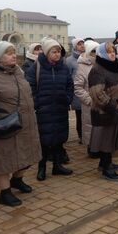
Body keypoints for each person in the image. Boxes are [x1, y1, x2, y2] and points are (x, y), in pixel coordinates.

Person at [0, 41, 41, 207]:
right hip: (4, 127)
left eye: (14, 52)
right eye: (8, 53)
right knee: (3, 160)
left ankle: (17, 180)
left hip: (25, 125)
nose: (14, 55)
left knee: (28, 156)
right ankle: (4, 192)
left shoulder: (17, 72)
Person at [25, 38, 74, 181]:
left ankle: (57, 166)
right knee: (44, 140)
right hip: (44, 110)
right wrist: (37, 103)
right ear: (46, 52)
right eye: (54, 51)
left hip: (60, 108)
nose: (57, 54)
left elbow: (70, 86)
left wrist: (67, 99)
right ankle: (42, 168)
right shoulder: (37, 67)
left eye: (59, 51)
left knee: (59, 138)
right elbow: (30, 87)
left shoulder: (63, 67)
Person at [88, 42, 118, 181]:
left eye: (113, 50)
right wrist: (111, 106)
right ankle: (106, 169)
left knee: (112, 138)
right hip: (105, 112)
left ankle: (105, 163)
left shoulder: (115, 67)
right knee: (106, 140)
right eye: (108, 51)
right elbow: (97, 93)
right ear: (101, 54)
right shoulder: (97, 70)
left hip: (117, 109)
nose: (112, 53)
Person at [74, 40, 100, 158]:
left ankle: (100, 147)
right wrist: (89, 100)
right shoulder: (82, 66)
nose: (96, 53)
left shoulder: (101, 64)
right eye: (93, 51)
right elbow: (78, 87)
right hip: (89, 103)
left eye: (97, 51)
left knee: (101, 126)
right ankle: (91, 148)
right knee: (90, 126)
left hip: (102, 103)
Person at [66, 38, 85, 144]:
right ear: (74, 46)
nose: (82, 45)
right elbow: (68, 77)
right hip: (77, 93)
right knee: (80, 115)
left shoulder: (87, 57)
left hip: (87, 91)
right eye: (79, 44)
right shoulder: (69, 61)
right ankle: (81, 135)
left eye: (82, 43)